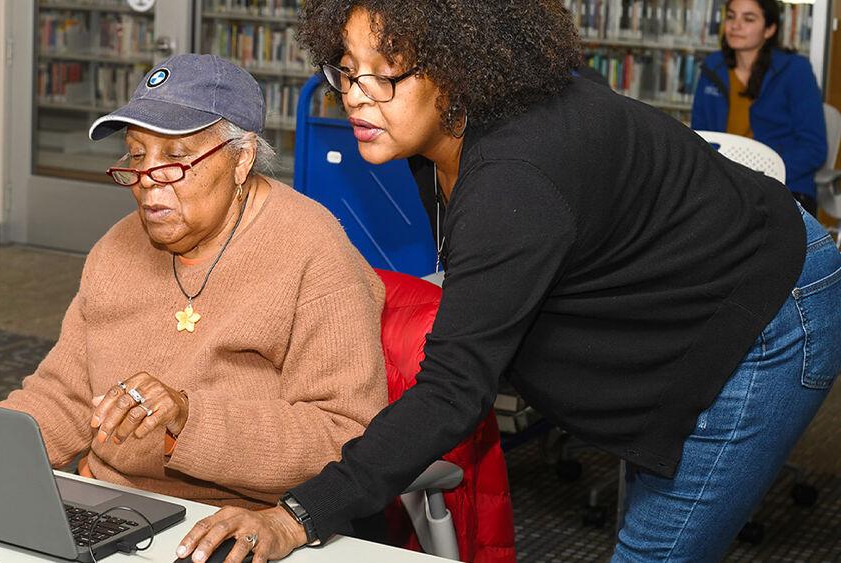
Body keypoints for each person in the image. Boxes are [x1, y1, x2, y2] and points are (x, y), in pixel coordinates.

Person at [174, 3, 841, 562]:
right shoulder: (445, 131)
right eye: (346, 71)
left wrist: (296, 514)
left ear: (458, 65)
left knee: (657, 547)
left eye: (386, 73)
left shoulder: (513, 175)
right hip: (684, 284)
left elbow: (455, 389)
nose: (356, 96)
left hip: (772, 309)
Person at [0, 54, 388, 513]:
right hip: (111, 504)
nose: (148, 185)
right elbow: (64, 398)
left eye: (175, 159)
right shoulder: (117, 248)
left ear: (242, 159)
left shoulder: (314, 252)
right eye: (135, 157)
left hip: (243, 520)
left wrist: (187, 420)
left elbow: (342, 439)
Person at [692, 0, 827, 214]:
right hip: (723, 187)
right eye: (731, 16)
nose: (735, 25)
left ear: (769, 29)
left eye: (748, 19)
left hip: (784, 186)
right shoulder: (712, 67)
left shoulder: (795, 70)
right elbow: (700, 138)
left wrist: (764, 176)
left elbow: (813, 148)